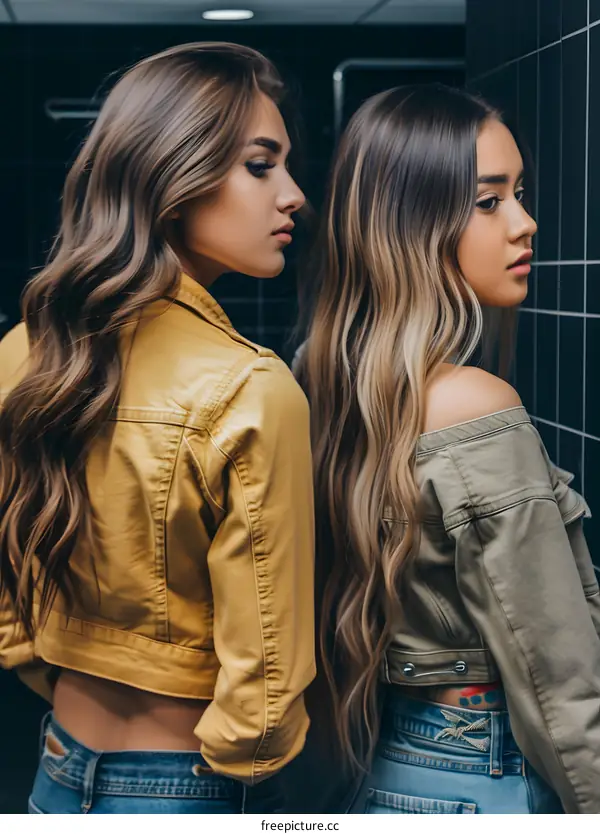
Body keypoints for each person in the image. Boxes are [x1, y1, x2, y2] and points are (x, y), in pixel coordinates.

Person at [0, 41, 315, 814]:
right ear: (173, 174)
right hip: (184, 783)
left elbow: (8, 591)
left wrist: (52, 668)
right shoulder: (251, 388)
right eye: (260, 165)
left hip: (56, 765)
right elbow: (266, 680)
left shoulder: (23, 352)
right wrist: (239, 767)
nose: (295, 195)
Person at [294, 83, 600, 814]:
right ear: (413, 223)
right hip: (483, 774)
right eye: (489, 201)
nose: (525, 223)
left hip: (397, 765)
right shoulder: (473, 403)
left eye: (519, 193)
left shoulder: (325, 379)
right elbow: (554, 672)